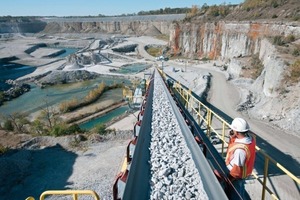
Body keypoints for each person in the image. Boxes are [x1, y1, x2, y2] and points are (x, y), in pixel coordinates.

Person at [225, 117, 256, 200]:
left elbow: (237, 170)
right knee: (241, 190)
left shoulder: (240, 150)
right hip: (244, 174)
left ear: (237, 132)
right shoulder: (251, 139)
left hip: (236, 176)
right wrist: (233, 137)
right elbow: (240, 139)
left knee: (236, 195)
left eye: (233, 130)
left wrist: (230, 179)